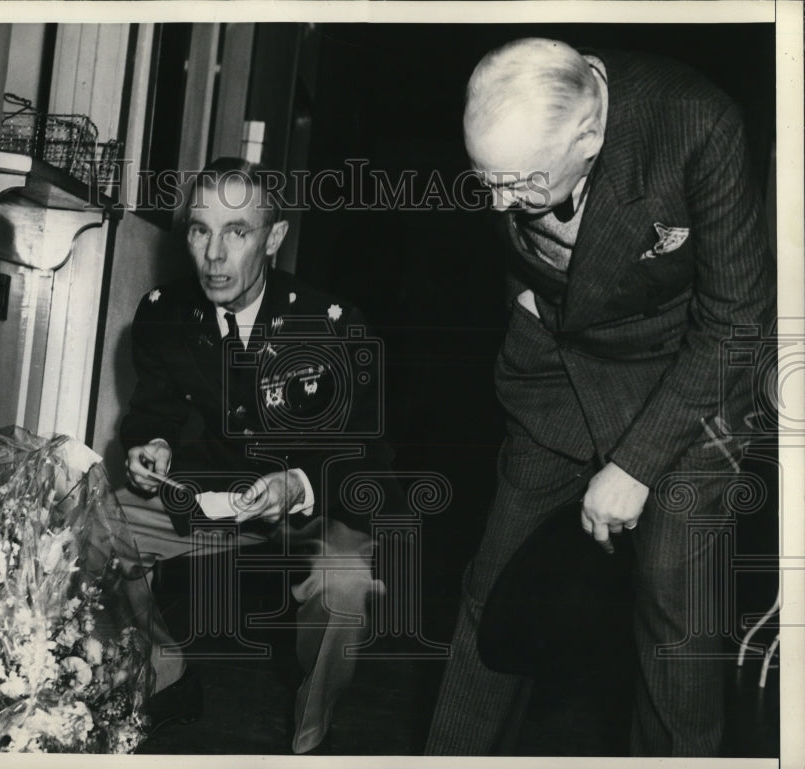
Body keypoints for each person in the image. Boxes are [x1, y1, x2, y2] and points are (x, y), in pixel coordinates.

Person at [425, 38, 775, 756]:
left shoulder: (699, 125)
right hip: (557, 366)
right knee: (492, 592)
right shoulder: (521, 136)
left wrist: (637, 463)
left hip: (689, 375)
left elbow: (738, 320)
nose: (493, 203)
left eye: (515, 182)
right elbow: (525, 255)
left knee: (676, 603)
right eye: (482, 179)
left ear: (589, 137)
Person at [117, 157, 397, 754]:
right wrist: (151, 445)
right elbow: (151, 410)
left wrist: (297, 484)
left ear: (273, 237)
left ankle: (309, 735)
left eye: (236, 231)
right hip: (210, 501)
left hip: (311, 508)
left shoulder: (331, 325)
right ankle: (167, 675)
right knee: (93, 527)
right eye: (199, 229)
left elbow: (366, 456)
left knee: (345, 586)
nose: (213, 255)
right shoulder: (164, 313)